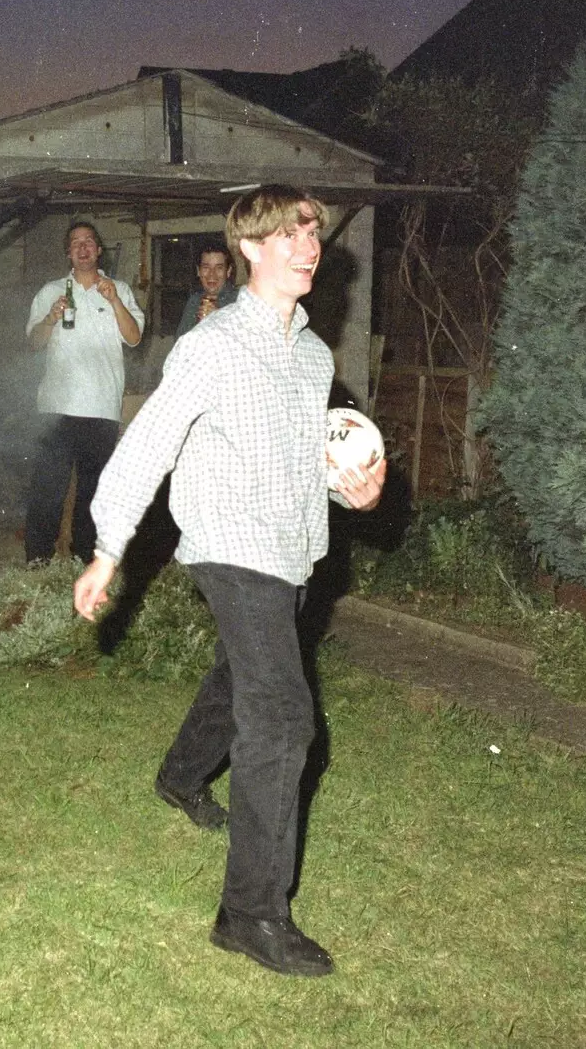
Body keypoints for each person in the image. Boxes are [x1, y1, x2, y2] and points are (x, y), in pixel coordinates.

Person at [72, 186, 385, 977]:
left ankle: (181, 777)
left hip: (292, 549)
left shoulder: (314, 357)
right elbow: (148, 444)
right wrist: (108, 548)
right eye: (290, 236)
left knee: (241, 675)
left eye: (313, 235)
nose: (308, 248)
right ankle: (250, 915)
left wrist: (354, 489)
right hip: (229, 543)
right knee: (281, 716)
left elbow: (307, 457)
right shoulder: (212, 346)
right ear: (250, 248)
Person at [22, 221, 145, 564]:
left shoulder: (118, 288)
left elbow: (134, 338)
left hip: (102, 407)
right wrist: (50, 319)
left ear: (99, 249)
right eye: (76, 242)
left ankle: (83, 561)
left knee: (94, 491)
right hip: (56, 407)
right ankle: (37, 561)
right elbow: (33, 344)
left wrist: (115, 301)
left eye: (89, 241)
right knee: (48, 488)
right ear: (68, 253)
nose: (83, 247)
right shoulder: (51, 291)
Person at [174, 242, 239, 338]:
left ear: (228, 271)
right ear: (198, 271)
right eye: (206, 267)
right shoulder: (194, 301)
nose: (212, 274)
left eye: (219, 268)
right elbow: (180, 343)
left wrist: (218, 318)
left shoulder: (240, 300)